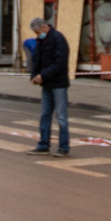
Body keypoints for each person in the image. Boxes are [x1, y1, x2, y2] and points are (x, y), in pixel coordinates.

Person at [28, 15, 71, 155]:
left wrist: (43, 75)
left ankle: (64, 147)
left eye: (37, 32)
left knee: (61, 116)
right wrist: (34, 75)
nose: (37, 35)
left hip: (58, 83)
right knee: (45, 114)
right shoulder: (41, 40)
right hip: (47, 83)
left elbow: (60, 63)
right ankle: (43, 145)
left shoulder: (58, 38)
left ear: (44, 27)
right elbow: (37, 59)